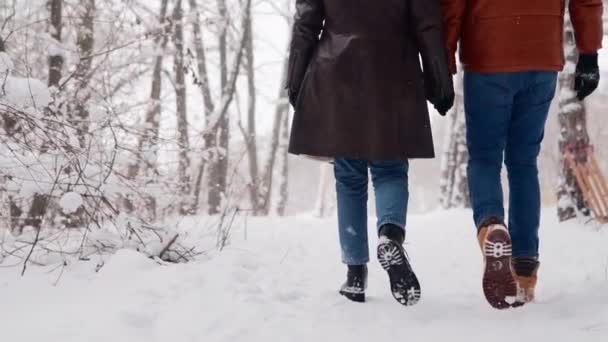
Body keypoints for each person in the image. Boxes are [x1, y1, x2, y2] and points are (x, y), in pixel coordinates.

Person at [286, 0, 454, 305]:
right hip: (394, 73)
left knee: (349, 176)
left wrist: (295, 79)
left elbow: (306, 23)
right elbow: (427, 23)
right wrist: (439, 78)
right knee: (390, 168)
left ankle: (354, 274)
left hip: (337, 73)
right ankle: (390, 235)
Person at [441, 0, 603, 309]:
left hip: (488, 53)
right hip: (541, 57)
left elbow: (453, 4)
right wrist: (589, 53)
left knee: (486, 157)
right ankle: (525, 268)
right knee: (523, 162)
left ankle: (491, 227)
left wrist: (444, 58)